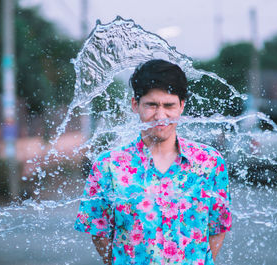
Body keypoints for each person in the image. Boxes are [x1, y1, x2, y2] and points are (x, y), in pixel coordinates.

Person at [74, 59, 231, 265]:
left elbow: (217, 227)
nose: (160, 115)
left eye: (169, 105)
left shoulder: (210, 162)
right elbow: (99, 232)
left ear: (182, 106)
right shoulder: (108, 166)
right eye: (151, 105)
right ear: (135, 105)